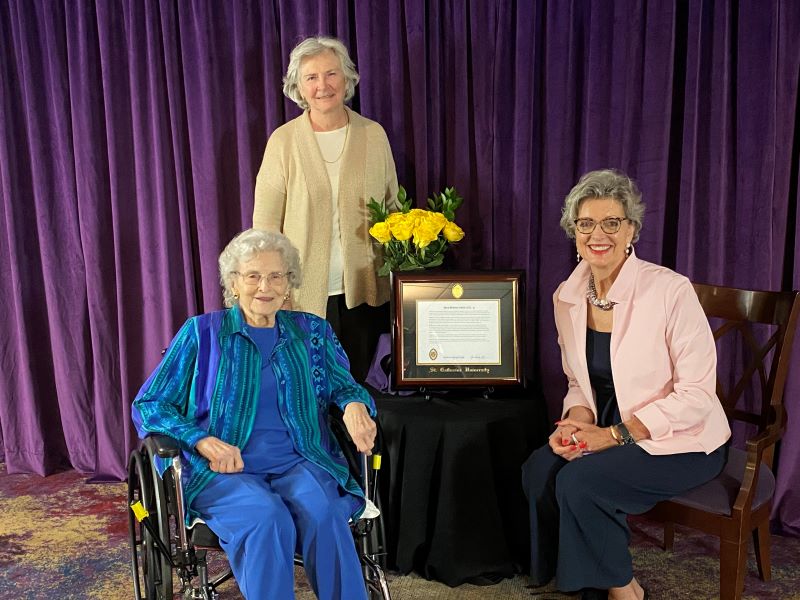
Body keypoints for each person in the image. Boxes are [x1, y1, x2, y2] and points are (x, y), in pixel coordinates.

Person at [131, 229, 378, 600]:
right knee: (267, 520)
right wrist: (202, 441)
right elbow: (150, 404)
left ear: (289, 283)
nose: (265, 286)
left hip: (300, 460)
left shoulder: (312, 333)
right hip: (221, 469)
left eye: (276, 275)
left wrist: (355, 404)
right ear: (234, 282)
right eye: (253, 276)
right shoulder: (202, 334)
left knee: (326, 516)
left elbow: (344, 386)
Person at [521, 169, 731, 600]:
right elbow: (578, 382)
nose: (598, 234)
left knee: (580, 483)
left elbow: (696, 396)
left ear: (631, 229)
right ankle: (576, 579)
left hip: (681, 439)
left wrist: (614, 436)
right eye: (586, 224)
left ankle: (622, 591)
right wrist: (574, 423)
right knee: (539, 470)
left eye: (611, 223)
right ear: (574, 231)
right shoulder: (568, 295)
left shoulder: (671, 291)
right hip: (607, 425)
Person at [253, 35, 398, 382]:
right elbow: (266, 228)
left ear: (346, 78)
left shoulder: (373, 135)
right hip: (303, 296)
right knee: (308, 392)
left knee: (359, 393)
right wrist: (277, 289)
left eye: (331, 74)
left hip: (363, 294)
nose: (323, 86)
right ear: (299, 88)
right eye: (312, 78)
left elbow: (393, 211)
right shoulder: (283, 142)